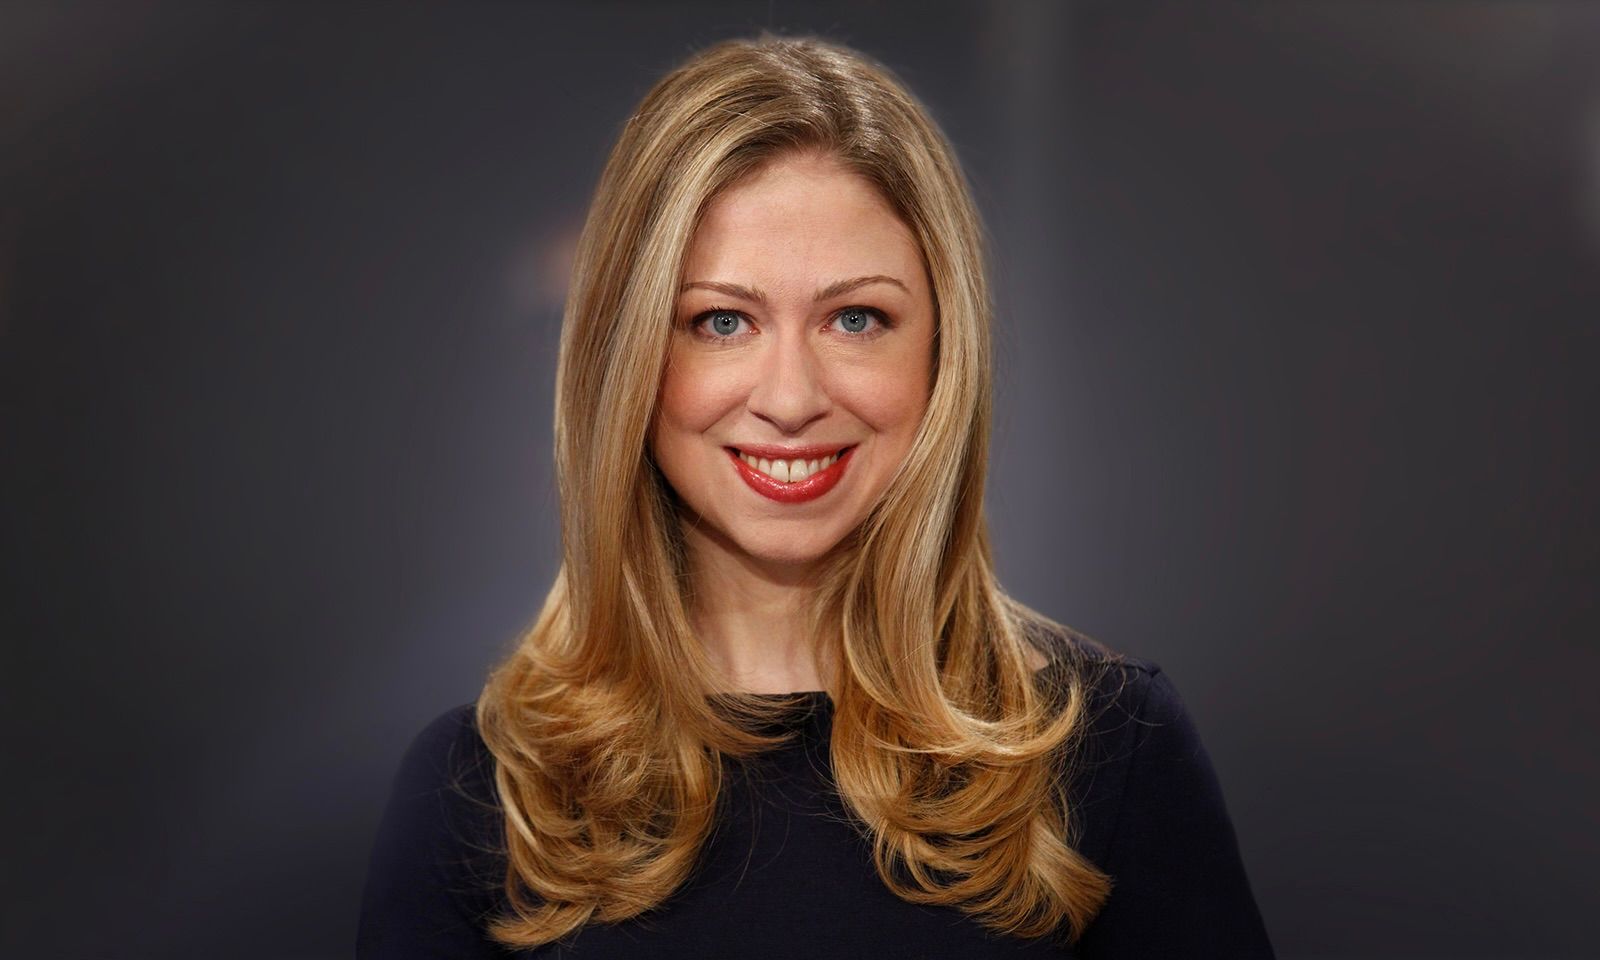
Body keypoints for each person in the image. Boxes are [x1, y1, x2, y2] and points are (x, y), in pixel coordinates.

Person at [358, 34, 1274, 958]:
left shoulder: (1110, 752)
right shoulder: (480, 795)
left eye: (855, 318)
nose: (791, 398)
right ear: (624, 357)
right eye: (721, 321)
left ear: (941, 354)